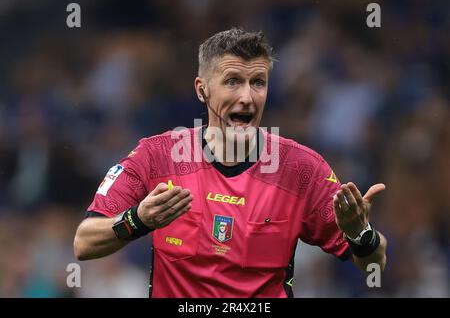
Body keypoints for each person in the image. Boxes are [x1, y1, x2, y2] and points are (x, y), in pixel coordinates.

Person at [73, 28, 387, 298]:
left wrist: (361, 234)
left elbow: (374, 265)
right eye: (233, 81)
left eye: (258, 82)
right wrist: (137, 220)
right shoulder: (156, 155)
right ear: (202, 90)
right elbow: (84, 242)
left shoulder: (302, 169)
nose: (248, 97)